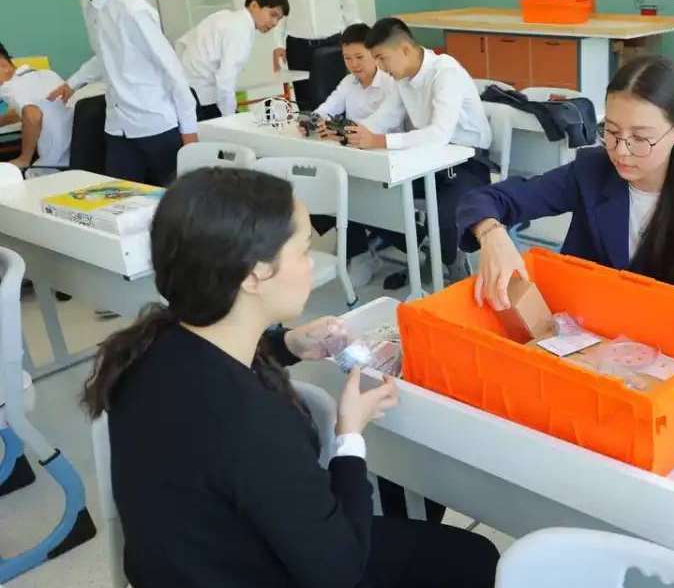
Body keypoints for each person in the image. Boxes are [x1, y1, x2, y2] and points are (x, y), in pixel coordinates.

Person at [81, 167, 498, 588]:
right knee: (474, 557)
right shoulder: (251, 421)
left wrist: (287, 346)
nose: (311, 264)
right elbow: (340, 570)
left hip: (191, 561)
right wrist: (349, 435)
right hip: (262, 569)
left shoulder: (146, 348)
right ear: (254, 275)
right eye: (303, 251)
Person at [458, 54, 674, 310]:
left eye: (641, 138)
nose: (620, 151)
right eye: (611, 132)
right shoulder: (592, 171)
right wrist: (491, 234)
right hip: (585, 333)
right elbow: (487, 199)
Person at [348, 17, 494, 287]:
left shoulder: (445, 72)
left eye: (381, 58)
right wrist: (348, 132)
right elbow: (382, 119)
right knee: (370, 195)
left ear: (404, 49)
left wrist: (380, 141)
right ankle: (425, 249)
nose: (379, 67)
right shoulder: (402, 79)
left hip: (466, 163)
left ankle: (448, 259)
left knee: (445, 214)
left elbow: (439, 134)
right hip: (424, 161)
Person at [31, 0, 197, 187]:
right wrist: (73, 83)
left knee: (171, 207)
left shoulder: (132, 10)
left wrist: (190, 135)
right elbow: (105, 54)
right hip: (118, 125)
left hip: (155, 126)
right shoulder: (89, 5)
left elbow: (173, 72)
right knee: (119, 202)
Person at [309, 22, 399, 288]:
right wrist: (313, 121)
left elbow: (380, 126)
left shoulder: (390, 84)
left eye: (359, 57)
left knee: (350, 191)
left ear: (374, 53)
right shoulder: (348, 82)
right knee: (323, 184)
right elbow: (326, 109)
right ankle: (360, 254)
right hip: (353, 157)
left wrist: (342, 132)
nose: (353, 64)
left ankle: (368, 243)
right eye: (347, 58)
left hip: (385, 159)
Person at [177, 0, 290, 122]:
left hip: (187, 89)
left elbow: (183, 42)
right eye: (273, 15)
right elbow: (225, 80)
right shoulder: (240, 30)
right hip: (201, 98)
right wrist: (231, 119)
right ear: (254, 5)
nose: (274, 23)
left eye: (279, 19)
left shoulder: (226, 17)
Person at [269, 0, 361, 111]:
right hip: (298, 47)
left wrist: (358, 39)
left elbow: (348, 2)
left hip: (333, 44)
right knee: (306, 104)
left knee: (337, 101)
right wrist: (278, 44)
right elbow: (276, 9)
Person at [0, 42, 72, 168]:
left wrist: (24, 159)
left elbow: (32, 114)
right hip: (80, 153)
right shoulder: (48, 74)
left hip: (54, 163)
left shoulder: (9, 87)